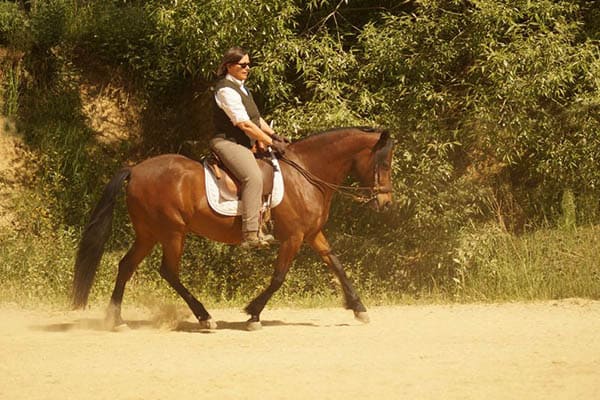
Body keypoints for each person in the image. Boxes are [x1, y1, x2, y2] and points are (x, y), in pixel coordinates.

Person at [210, 46, 287, 248]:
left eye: (249, 64)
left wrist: (274, 136)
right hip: (227, 142)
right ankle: (251, 233)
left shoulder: (243, 88)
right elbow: (243, 124)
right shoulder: (226, 89)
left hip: (243, 143)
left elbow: (256, 119)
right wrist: (271, 143)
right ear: (229, 66)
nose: (247, 68)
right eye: (243, 64)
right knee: (253, 177)